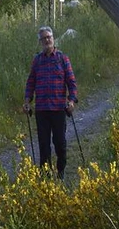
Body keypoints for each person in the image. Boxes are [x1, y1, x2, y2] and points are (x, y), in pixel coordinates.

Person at [23, 26, 78, 179]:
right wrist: (27, 101)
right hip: (41, 109)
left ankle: (61, 171)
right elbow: (31, 82)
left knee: (60, 143)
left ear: (53, 39)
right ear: (40, 42)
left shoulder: (62, 58)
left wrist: (71, 100)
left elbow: (71, 82)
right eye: (44, 38)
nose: (47, 40)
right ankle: (45, 175)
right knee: (43, 144)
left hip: (59, 108)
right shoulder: (37, 60)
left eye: (49, 37)